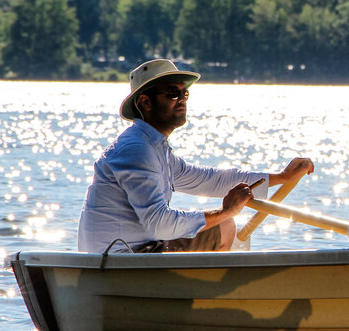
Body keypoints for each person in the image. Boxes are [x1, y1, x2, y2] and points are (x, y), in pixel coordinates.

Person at [77, 59, 314, 253]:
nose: (181, 99)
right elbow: (159, 224)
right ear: (145, 102)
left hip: (127, 256)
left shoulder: (154, 147)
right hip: (120, 261)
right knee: (225, 226)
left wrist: (281, 177)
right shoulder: (137, 149)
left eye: (184, 93)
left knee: (223, 224)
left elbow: (209, 179)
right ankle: (208, 303)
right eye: (172, 93)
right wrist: (225, 212)